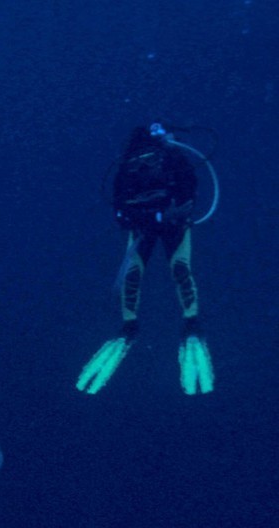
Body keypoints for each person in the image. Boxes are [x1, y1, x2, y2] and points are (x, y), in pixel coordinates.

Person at [77, 123, 216, 395]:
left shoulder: (176, 163)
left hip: (172, 227)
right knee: (132, 274)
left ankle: (191, 322)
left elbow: (189, 198)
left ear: (161, 155)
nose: (144, 169)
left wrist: (164, 216)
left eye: (150, 161)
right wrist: (157, 217)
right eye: (139, 163)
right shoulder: (125, 174)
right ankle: (129, 325)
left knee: (180, 269)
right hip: (145, 228)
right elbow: (119, 213)